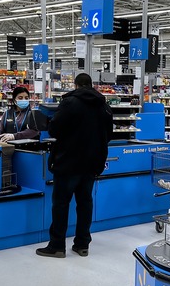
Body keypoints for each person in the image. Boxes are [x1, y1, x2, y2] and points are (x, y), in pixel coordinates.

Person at [36, 73, 113, 258]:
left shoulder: (70, 103)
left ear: (76, 85)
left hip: (68, 162)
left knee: (61, 204)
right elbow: (108, 134)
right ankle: (82, 244)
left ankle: (57, 246)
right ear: (91, 84)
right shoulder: (104, 105)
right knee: (85, 203)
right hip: (92, 163)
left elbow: (54, 129)